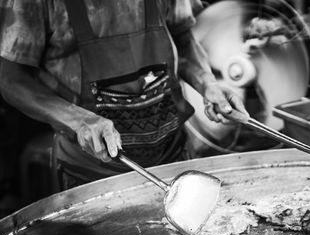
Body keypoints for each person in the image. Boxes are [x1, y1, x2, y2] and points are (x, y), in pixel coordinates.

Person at [0, 0, 248, 189]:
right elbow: (11, 80)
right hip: (92, 174)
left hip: (175, 158)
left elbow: (182, 37)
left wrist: (208, 83)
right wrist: (77, 120)